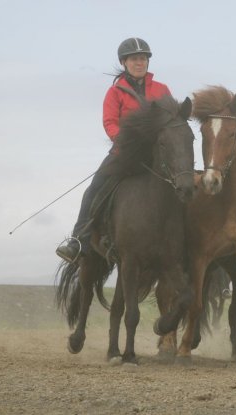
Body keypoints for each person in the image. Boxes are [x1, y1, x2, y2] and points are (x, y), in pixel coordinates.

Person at [56, 37, 172, 263]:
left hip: (158, 154)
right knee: (94, 188)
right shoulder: (115, 92)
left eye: (143, 59)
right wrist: (123, 141)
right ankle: (79, 240)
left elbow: (171, 119)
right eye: (134, 59)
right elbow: (110, 122)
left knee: (185, 182)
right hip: (126, 154)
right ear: (124, 62)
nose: (140, 63)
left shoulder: (162, 89)